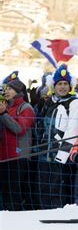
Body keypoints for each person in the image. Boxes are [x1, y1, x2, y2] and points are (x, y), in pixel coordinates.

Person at [36, 64, 78, 209]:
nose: (62, 87)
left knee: (56, 190)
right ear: (54, 85)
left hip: (61, 157)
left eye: (65, 84)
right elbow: (40, 125)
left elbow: (72, 132)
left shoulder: (75, 104)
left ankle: (57, 214)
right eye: (59, 84)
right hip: (44, 154)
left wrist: (61, 155)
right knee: (43, 188)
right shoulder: (49, 102)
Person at [0, 73, 35, 210]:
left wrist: (3, 114)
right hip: (4, 156)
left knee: (14, 192)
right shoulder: (6, 107)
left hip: (18, 156)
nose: (6, 91)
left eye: (10, 88)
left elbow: (19, 128)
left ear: (19, 92)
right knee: (4, 191)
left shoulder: (26, 108)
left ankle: (16, 217)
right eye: (6, 88)